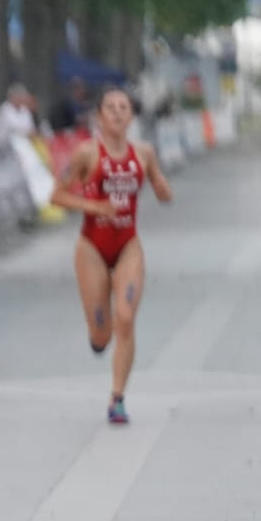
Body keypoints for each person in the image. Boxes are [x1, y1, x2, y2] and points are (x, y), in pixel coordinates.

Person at [50, 86, 174, 426]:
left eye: (124, 107)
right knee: (103, 334)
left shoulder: (144, 153)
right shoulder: (86, 154)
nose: (118, 113)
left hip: (127, 245)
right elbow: (57, 196)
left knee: (126, 316)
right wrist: (94, 206)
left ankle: (117, 398)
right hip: (91, 246)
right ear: (100, 116)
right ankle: (97, 337)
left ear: (131, 116)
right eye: (111, 107)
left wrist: (162, 190)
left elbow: (163, 188)